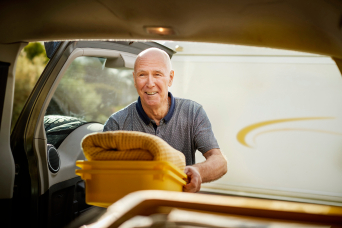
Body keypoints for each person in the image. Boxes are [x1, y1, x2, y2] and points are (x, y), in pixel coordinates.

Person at [103, 48, 227, 192]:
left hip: (178, 207)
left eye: (157, 74)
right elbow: (104, 175)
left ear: (171, 78)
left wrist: (198, 172)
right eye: (142, 74)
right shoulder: (117, 123)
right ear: (134, 79)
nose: (150, 83)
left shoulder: (192, 112)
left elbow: (219, 161)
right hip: (136, 208)